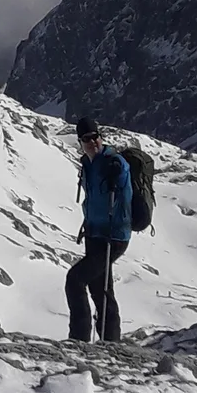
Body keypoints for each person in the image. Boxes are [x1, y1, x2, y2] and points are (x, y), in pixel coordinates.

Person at [65, 115, 131, 343]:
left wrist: (117, 174)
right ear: (80, 142)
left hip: (114, 235)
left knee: (75, 279)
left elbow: (124, 178)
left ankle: (79, 338)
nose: (92, 142)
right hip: (94, 235)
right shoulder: (87, 164)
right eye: (86, 139)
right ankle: (110, 342)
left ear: (100, 137)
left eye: (95, 137)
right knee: (100, 289)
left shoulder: (114, 162)